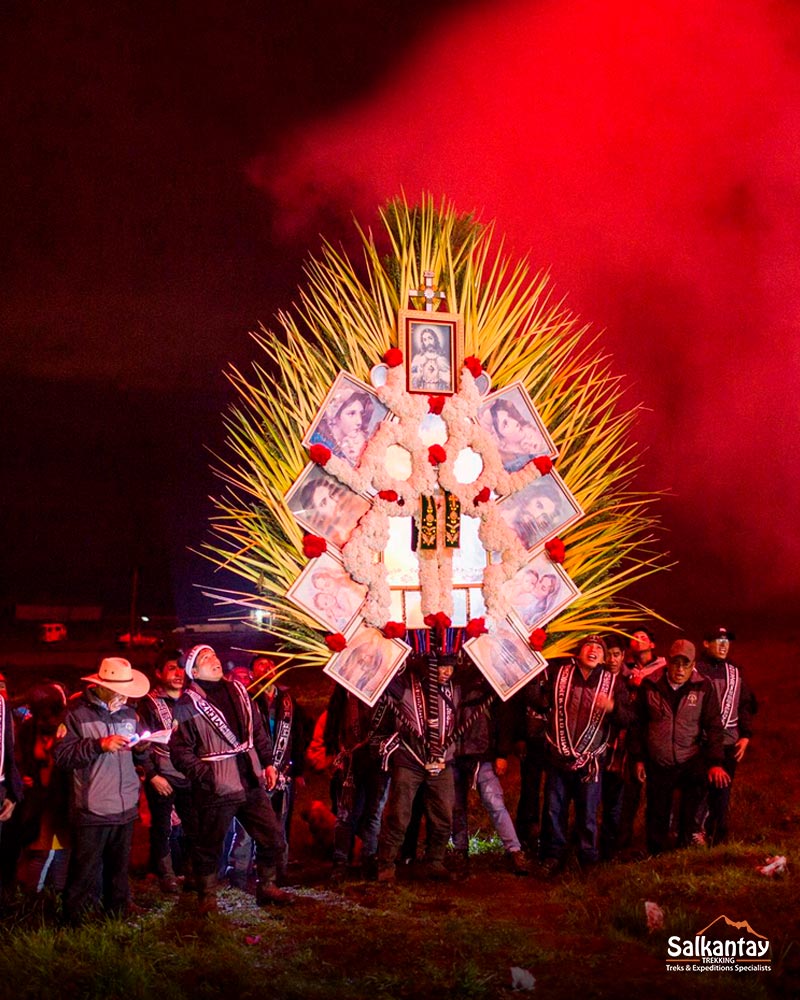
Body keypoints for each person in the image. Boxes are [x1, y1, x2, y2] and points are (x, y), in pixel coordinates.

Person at [170, 644, 291, 912]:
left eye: (214, 654)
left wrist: (268, 763)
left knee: (271, 835)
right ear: (194, 671)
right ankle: (207, 898)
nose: (214, 659)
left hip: (249, 780)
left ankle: (267, 885)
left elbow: (256, 730)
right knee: (209, 845)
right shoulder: (187, 704)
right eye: (205, 658)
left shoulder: (238, 690)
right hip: (218, 787)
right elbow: (179, 752)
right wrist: (207, 776)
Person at [53, 657, 149, 923]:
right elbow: (61, 756)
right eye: (119, 690)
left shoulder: (130, 713)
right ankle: (76, 920)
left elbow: (139, 755)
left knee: (119, 868)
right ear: (101, 686)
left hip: (125, 806)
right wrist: (98, 745)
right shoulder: (75, 714)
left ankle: (117, 912)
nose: (124, 696)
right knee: (85, 869)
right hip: (92, 807)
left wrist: (142, 749)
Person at [537, 636, 634, 876]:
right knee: (553, 809)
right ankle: (553, 856)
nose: (593, 650)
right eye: (588, 646)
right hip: (558, 758)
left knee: (588, 811)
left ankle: (587, 859)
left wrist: (613, 708)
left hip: (591, 761)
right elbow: (540, 703)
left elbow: (628, 718)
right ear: (579, 652)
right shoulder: (560, 674)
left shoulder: (614, 683)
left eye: (599, 648)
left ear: (603, 657)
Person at [377, 641, 463, 882]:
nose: (447, 672)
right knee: (399, 815)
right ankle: (386, 864)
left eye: (451, 667)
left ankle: (435, 861)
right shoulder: (406, 684)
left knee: (444, 814)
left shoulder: (455, 688)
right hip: (410, 760)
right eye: (442, 666)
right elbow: (381, 681)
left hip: (442, 762)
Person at [633, 639, 729, 855]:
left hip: (690, 758)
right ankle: (655, 852)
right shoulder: (650, 685)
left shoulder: (704, 687)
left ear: (693, 664)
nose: (680, 669)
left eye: (685, 664)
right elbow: (638, 723)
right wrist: (638, 757)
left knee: (690, 807)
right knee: (657, 809)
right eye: (676, 663)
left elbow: (714, 726)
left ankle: (684, 849)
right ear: (668, 662)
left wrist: (715, 762)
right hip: (658, 760)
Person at [451, 673, 530, 875]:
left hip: (483, 753)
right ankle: (460, 851)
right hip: (453, 753)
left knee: (494, 801)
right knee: (455, 805)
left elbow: (504, 718)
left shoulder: (489, 677)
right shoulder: (451, 678)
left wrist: (501, 753)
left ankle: (514, 851)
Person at [138, 648, 195, 894]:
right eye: (172, 668)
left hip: (190, 775)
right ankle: (166, 873)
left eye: (181, 668)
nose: (178, 673)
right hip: (162, 774)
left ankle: (189, 872)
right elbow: (141, 744)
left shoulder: (192, 700)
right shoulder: (148, 704)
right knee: (163, 826)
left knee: (193, 824)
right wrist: (152, 775)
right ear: (159, 672)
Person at [696, 626, 757, 844]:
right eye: (718, 640)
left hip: (729, 741)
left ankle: (717, 837)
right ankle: (693, 833)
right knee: (697, 789)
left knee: (722, 792)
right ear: (705, 643)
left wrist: (746, 735)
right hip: (699, 742)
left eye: (727, 641)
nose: (724, 645)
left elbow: (745, 703)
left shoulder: (734, 671)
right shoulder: (695, 669)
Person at [250, 655, 309, 870]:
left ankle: (278, 867)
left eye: (271, 665)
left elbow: (300, 735)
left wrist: (299, 769)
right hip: (256, 771)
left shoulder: (288, 701)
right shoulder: (248, 699)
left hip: (283, 771)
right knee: (257, 820)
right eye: (261, 665)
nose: (268, 668)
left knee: (281, 818)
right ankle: (249, 865)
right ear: (252, 674)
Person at [14, 682, 70, 894]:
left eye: (52, 716)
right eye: (43, 716)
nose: (49, 721)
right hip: (40, 797)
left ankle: (57, 895)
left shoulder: (68, 724)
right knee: (41, 849)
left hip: (63, 796)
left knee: (63, 848)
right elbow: (22, 758)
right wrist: (24, 776)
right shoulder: (29, 729)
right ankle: (33, 897)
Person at [294, 472, 370, 549]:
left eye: (331, 495)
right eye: (324, 503)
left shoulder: (361, 509)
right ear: (319, 516)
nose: (333, 501)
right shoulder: (333, 542)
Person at [0, 672, 24, 907]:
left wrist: (13, 791)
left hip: (5, 787)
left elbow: (9, 754)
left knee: (7, 849)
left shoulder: (6, 709)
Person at [310, 388, 376, 467]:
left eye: (361, 414)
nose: (359, 422)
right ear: (334, 417)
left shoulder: (353, 448)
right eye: (351, 413)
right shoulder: (319, 442)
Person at [485, 397, 547, 472]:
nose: (515, 422)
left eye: (510, 417)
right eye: (505, 424)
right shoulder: (504, 464)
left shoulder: (535, 442)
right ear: (500, 440)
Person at [410, 325, 450, 391]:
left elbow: (451, 379)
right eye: (425, 340)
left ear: (435, 339)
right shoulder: (418, 358)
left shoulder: (442, 358)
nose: (428, 342)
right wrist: (419, 374)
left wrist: (441, 375)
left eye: (430, 338)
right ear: (423, 342)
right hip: (422, 392)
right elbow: (410, 378)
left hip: (439, 391)